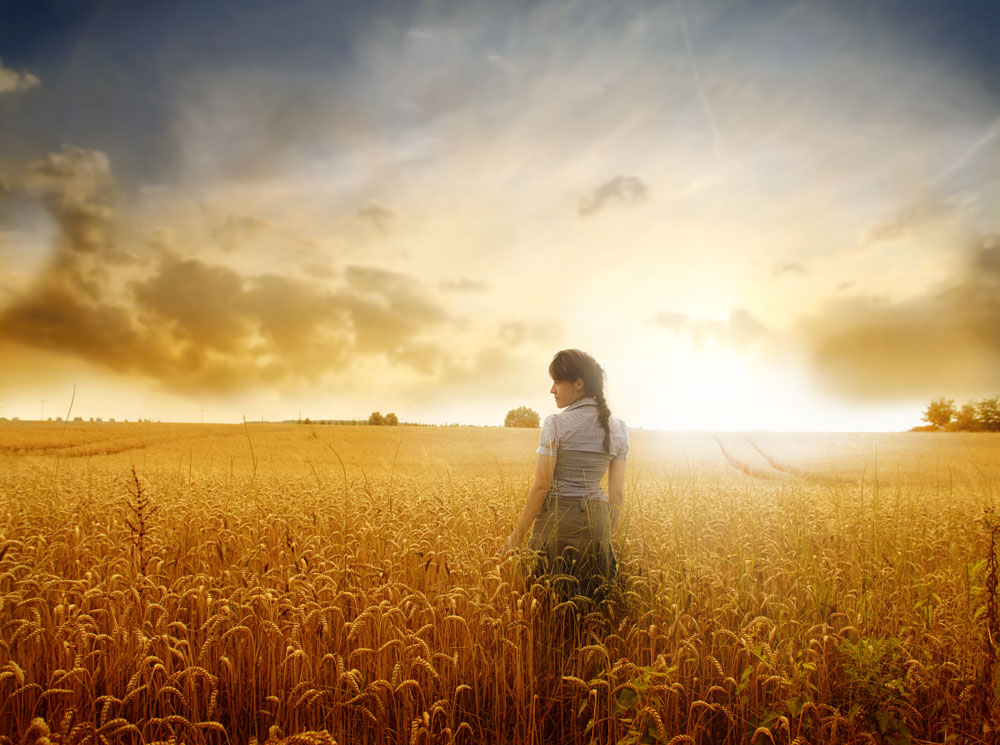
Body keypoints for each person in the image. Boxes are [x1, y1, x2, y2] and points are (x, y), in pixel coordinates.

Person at [498, 349, 629, 600]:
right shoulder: (619, 429)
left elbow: (541, 486)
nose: (552, 390)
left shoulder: (555, 424)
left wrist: (516, 537)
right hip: (598, 523)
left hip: (556, 524)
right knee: (592, 608)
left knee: (548, 603)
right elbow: (617, 494)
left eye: (557, 382)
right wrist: (604, 539)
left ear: (578, 384)